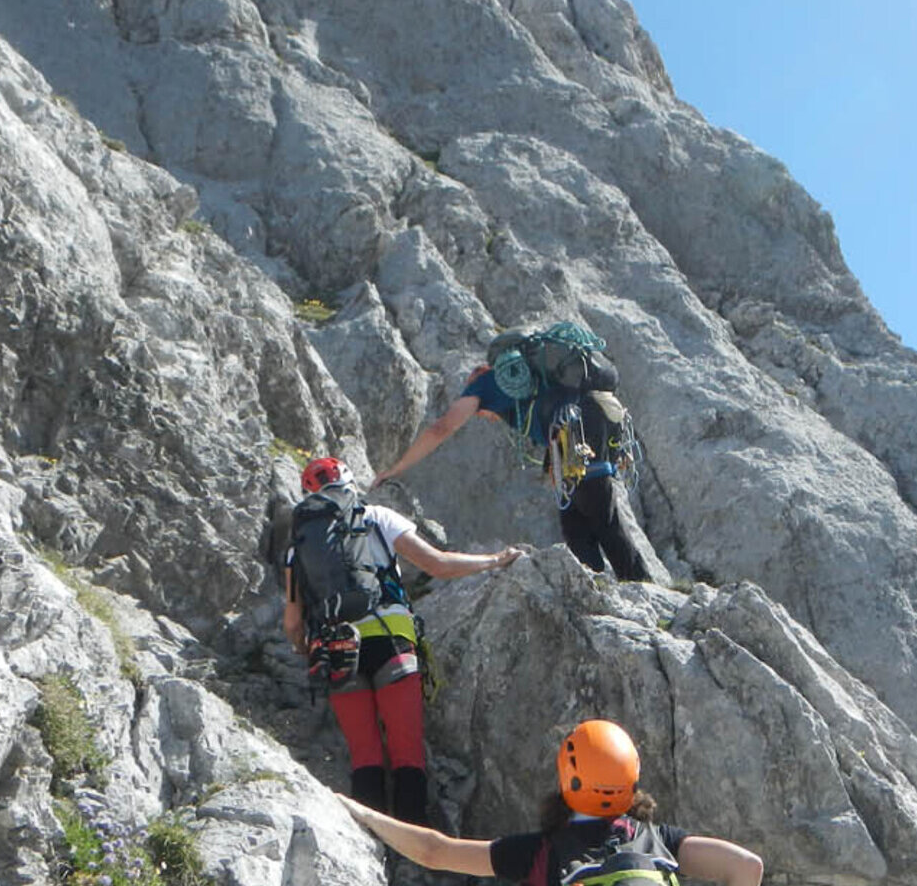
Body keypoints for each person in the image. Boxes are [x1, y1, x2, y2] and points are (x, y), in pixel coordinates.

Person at [283, 456, 525, 827]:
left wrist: (305, 649)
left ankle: (375, 851)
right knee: (407, 752)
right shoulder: (377, 517)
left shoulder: (300, 540)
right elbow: (438, 564)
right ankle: (413, 851)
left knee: (365, 756)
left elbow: (292, 621)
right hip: (392, 640)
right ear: (349, 483)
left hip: (337, 649)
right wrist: (494, 560)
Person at [340, 719, 764, 886]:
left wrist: (361, 812)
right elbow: (748, 867)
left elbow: (435, 852)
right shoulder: (658, 840)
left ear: (567, 777)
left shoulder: (537, 851)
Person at [373, 354, 650, 582]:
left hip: (578, 429)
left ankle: (641, 585)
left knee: (602, 514)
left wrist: (395, 469)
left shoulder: (482, 386)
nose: (486, 417)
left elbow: (441, 428)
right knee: (574, 520)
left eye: (479, 411)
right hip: (576, 429)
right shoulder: (529, 389)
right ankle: (594, 582)